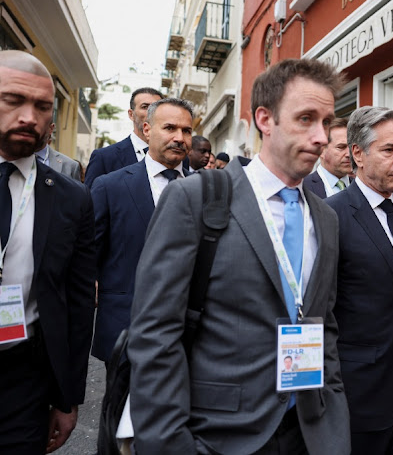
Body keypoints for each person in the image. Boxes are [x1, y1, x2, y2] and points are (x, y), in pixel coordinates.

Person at [128, 58, 350, 455]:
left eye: (327, 122)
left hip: (309, 432)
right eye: (305, 119)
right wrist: (170, 443)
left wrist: (333, 420)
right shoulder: (194, 198)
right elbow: (156, 332)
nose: (321, 136)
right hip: (219, 434)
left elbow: (324, 324)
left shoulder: (326, 218)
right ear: (265, 119)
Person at [0, 50, 96, 453]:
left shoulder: (72, 199)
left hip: (24, 379)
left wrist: (67, 397)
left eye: (42, 106)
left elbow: (76, 303)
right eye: (13, 100)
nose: (29, 116)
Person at [326, 106, 393, 454]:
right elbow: (320, 309)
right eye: (389, 150)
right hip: (360, 394)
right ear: (357, 153)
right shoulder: (330, 214)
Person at [90, 98, 192, 364]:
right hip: (126, 326)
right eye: (170, 128)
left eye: (186, 131)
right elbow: (90, 255)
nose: (179, 138)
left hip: (190, 333)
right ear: (147, 130)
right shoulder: (110, 187)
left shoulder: (208, 189)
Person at [84, 87, 164, 187]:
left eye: (156, 107)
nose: (151, 112)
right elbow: (89, 200)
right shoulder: (105, 157)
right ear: (131, 114)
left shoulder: (177, 157)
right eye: (145, 107)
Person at [304, 117, 351, 198]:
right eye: (341, 147)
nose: (349, 154)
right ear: (321, 150)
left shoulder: (362, 188)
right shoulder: (304, 188)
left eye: (351, 147)